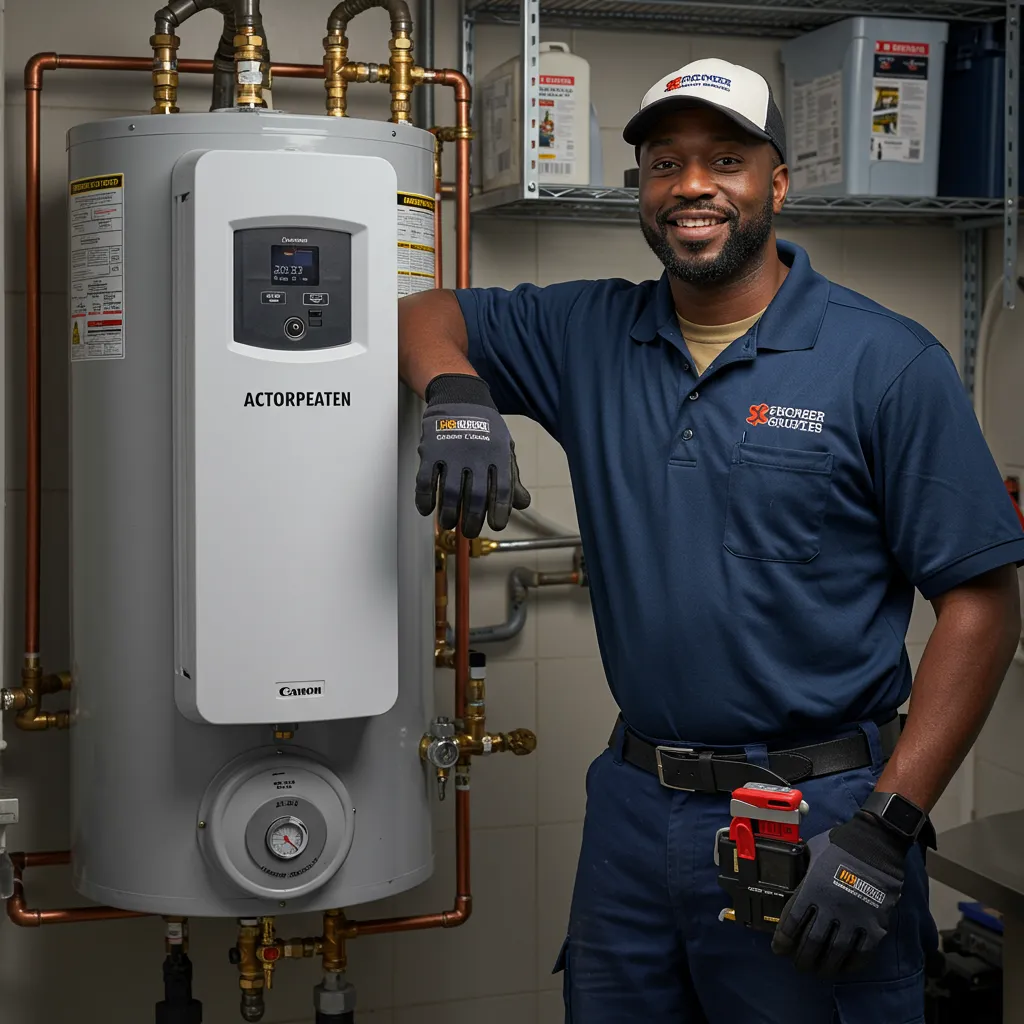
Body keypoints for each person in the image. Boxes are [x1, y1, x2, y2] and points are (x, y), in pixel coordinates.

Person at [397, 57, 1024, 1023]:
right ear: (640, 189)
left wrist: (883, 831)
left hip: (821, 815)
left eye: (724, 159)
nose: (691, 185)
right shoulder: (587, 331)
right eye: (663, 163)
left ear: (776, 183)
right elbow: (420, 312)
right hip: (636, 810)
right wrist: (454, 389)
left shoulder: (886, 362)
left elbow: (983, 605)